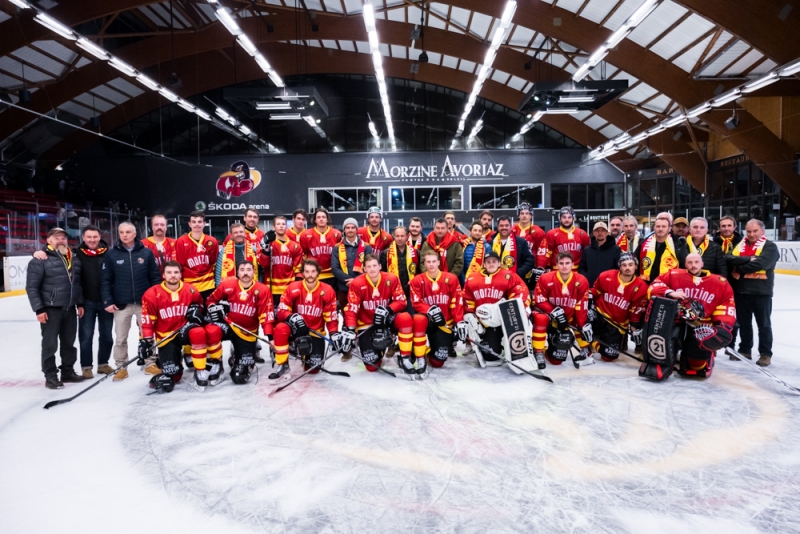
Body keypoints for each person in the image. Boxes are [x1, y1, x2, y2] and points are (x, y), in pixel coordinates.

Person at [646, 253, 736, 378]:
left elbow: (726, 306)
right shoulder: (673, 275)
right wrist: (669, 292)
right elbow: (653, 287)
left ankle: (704, 357)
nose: (693, 265)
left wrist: (721, 326)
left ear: (702, 264)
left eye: (696, 262)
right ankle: (662, 359)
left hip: (701, 325)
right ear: (685, 264)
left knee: (696, 365)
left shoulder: (720, 282)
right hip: (675, 321)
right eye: (690, 262)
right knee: (661, 346)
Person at [26, 227, 85, 389]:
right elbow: (32, 287)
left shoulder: (73, 257)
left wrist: (79, 303)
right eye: (56, 237)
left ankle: (67, 371)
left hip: (69, 308)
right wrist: (39, 309)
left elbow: (77, 284)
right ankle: (50, 375)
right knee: (50, 344)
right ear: (49, 240)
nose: (60, 240)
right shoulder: (40, 260)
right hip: (50, 309)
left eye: (63, 238)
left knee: (69, 343)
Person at [101, 221, 161, 380]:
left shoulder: (146, 253)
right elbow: (106, 280)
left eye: (128, 232)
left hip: (144, 303)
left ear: (135, 234)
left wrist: (156, 298)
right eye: (122, 232)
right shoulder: (112, 254)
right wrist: (108, 301)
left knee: (148, 335)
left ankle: (150, 363)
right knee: (121, 338)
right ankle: (121, 367)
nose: (125, 235)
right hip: (121, 304)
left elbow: (155, 277)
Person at [344, 255, 422, 374]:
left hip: (387, 319)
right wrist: (350, 329)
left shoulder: (391, 278)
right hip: (367, 323)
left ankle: (405, 357)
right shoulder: (357, 283)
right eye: (369, 266)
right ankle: (380, 350)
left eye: (374, 265)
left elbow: (401, 301)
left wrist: (388, 310)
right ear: (364, 269)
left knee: (405, 318)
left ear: (380, 266)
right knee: (372, 367)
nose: (372, 269)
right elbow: (352, 308)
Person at [140, 261, 206, 391]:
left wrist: (196, 312)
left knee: (198, 332)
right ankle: (173, 358)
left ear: (181, 274)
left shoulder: (190, 290)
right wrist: (147, 340)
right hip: (166, 335)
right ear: (163, 275)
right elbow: (147, 321)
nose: (173, 275)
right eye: (169, 272)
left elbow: (200, 306)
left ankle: (200, 370)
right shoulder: (151, 294)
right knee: (174, 376)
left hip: (184, 329)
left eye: (176, 272)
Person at [206, 261, 274, 384]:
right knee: (211, 330)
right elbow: (210, 300)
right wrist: (215, 308)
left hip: (247, 332)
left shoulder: (263, 290)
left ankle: (237, 355)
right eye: (242, 270)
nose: (245, 273)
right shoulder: (227, 285)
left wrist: (271, 339)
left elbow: (266, 316)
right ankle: (216, 362)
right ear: (237, 273)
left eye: (249, 269)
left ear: (254, 272)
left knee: (239, 377)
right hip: (228, 325)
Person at [273, 259, 340, 377]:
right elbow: (282, 310)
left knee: (313, 369)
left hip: (315, 332)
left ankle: (306, 355)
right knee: (280, 328)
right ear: (303, 273)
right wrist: (293, 317)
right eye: (307, 271)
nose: (310, 275)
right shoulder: (293, 287)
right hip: (296, 330)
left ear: (318, 272)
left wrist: (333, 333)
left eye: (313, 271)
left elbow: (331, 316)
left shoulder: (327, 290)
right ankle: (283, 363)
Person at [726, 219, 779, 366]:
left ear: (762, 231)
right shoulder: (740, 245)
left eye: (755, 231)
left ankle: (765, 353)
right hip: (741, 291)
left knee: (764, 324)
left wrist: (739, 269)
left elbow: (761, 264)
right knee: (744, 323)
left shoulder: (770, 247)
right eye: (748, 231)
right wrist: (747, 259)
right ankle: (745, 349)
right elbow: (729, 259)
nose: (751, 234)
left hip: (761, 292)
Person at [462, 250, 530, 363]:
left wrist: (512, 309)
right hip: (484, 323)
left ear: (499, 263)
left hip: (506, 320)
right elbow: (467, 300)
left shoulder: (509, 275)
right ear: (484, 264)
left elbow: (521, 292)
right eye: (488, 262)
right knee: (491, 356)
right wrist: (469, 314)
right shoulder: (472, 278)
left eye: (494, 261)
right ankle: (491, 344)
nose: (491, 264)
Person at [532, 252, 592, 366]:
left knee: (556, 361)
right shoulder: (545, 278)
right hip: (548, 316)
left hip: (566, 318)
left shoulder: (581, 281)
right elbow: (539, 300)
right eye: (561, 263)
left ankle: (586, 350)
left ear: (573, 264)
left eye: (567, 263)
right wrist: (554, 312)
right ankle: (538, 352)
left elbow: (580, 304)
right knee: (540, 318)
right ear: (557, 264)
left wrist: (582, 325)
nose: (564, 266)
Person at [410, 250, 465, 368]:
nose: (431, 264)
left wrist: (459, 321)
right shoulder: (417, 280)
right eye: (428, 262)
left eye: (434, 261)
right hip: (426, 322)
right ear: (424, 263)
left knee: (438, 362)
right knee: (418, 319)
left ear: (439, 262)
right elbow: (416, 302)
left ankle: (430, 351)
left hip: (444, 324)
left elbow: (457, 302)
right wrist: (431, 310)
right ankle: (418, 352)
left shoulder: (451, 278)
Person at [590, 253, 649, 362]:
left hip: (616, 323)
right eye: (624, 265)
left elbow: (635, 312)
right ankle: (587, 340)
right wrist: (586, 299)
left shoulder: (642, 287)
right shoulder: (606, 276)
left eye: (630, 265)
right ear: (620, 267)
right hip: (599, 314)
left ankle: (593, 341)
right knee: (583, 316)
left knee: (609, 356)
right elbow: (595, 292)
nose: (627, 268)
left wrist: (634, 329)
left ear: (636, 266)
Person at [535, 206, 591, 283]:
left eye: (569, 217)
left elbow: (588, 254)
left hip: (577, 272)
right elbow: (545, 253)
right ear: (559, 218)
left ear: (573, 218)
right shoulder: (552, 234)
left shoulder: (582, 234)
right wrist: (543, 267)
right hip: (557, 271)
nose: (567, 220)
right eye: (564, 217)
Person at [258, 215, 303, 308]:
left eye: (283, 224)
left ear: (286, 227)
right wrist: (266, 248)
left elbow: (298, 268)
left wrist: (297, 284)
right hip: (271, 287)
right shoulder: (268, 243)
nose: (281, 226)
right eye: (278, 224)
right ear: (274, 227)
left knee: (287, 312)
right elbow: (263, 264)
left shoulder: (295, 246)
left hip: (289, 287)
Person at [175, 210, 220, 300]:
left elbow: (214, 263)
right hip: (189, 285)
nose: (197, 224)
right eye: (194, 222)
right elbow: (180, 265)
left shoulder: (212, 241)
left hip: (209, 285)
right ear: (189, 224)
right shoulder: (181, 241)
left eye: (199, 222)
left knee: (210, 308)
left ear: (204, 223)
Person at [331, 217, 373, 310]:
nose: (350, 230)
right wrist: (349, 280)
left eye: (353, 227)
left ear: (357, 230)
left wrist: (355, 281)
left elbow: (370, 267)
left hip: (362, 287)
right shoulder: (337, 247)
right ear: (344, 230)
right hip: (343, 288)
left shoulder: (366, 247)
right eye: (347, 227)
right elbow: (335, 268)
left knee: (362, 314)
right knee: (346, 314)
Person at [634, 215, 686, 284]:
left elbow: (683, 266)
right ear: (654, 228)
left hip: (668, 285)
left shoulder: (678, 244)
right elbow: (634, 261)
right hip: (646, 284)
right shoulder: (644, 243)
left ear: (669, 229)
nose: (660, 229)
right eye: (658, 226)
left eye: (663, 226)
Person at [299, 207, 342, 283]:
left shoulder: (337, 234)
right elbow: (304, 254)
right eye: (318, 217)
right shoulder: (305, 235)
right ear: (315, 220)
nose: (321, 219)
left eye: (323, 217)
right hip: (314, 274)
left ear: (327, 219)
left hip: (332, 274)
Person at [380, 226, 418, 303]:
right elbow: (382, 273)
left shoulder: (415, 253)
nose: (400, 238)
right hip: (392, 291)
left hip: (410, 291)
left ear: (407, 237)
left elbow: (419, 272)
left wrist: (414, 280)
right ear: (393, 236)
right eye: (397, 236)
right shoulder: (386, 253)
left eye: (402, 236)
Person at [512, 203, 545, 288]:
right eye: (522, 213)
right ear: (518, 215)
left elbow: (542, 251)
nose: (524, 216)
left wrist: (540, 268)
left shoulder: (539, 232)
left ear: (531, 215)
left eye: (527, 213)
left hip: (531, 268)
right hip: (514, 266)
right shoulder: (512, 230)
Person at [579, 221, 621, 287]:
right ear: (593, 233)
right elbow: (581, 268)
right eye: (597, 231)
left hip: (609, 286)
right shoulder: (587, 250)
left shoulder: (616, 249)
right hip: (590, 286)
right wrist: (587, 278)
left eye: (603, 231)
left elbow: (619, 269)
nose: (600, 233)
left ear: (607, 233)